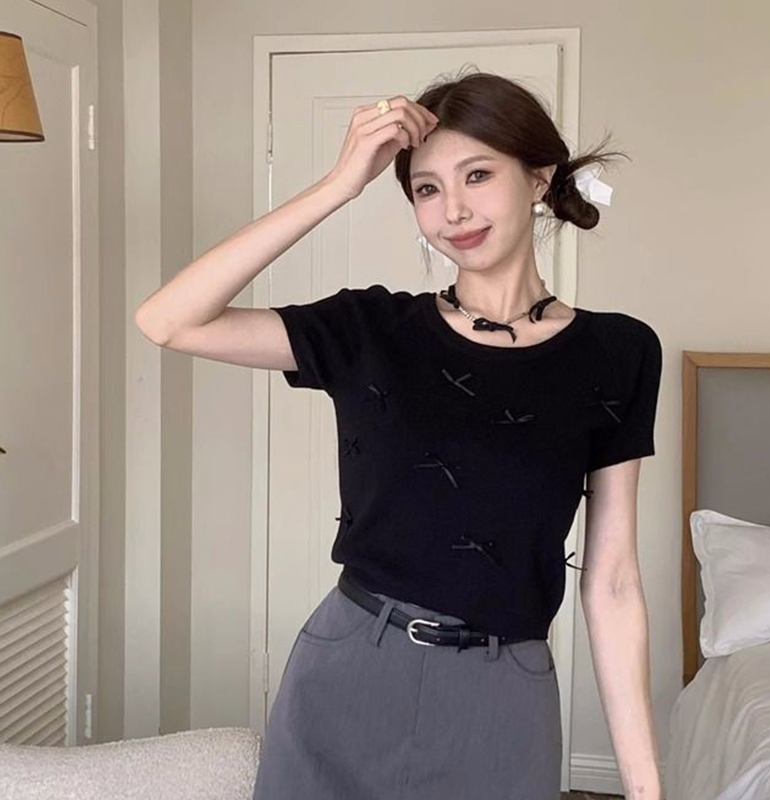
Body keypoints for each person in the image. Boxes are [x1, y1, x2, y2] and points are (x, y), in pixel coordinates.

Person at [135, 69, 664, 800]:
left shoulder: (618, 352)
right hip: (350, 669)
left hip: (505, 695)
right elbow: (168, 321)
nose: (454, 210)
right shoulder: (372, 329)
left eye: (478, 175)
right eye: (426, 189)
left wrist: (645, 787)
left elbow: (613, 582)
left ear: (539, 178)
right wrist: (339, 185)